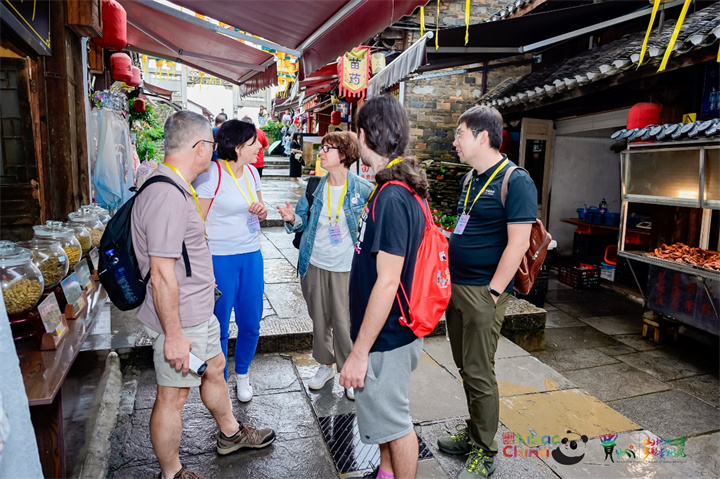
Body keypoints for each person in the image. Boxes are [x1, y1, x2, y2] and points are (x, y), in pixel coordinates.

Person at [131, 111, 275, 479]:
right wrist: (175, 335)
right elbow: (162, 274)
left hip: (197, 309)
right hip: (179, 317)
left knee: (213, 369)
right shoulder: (167, 194)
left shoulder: (176, 186)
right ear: (198, 147)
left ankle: (230, 433)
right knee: (172, 396)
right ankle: (172, 472)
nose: (215, 153)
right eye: (211, 146)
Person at [437, 106, 536, 479]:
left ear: (482, 136)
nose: (455, 141)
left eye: (459, 134)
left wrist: (493, 294)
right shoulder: (470, 180)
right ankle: (475, 429)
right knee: (466, 368)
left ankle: (484, 450)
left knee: (479, 371)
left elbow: (518, 244)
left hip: (483, 292)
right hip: (457, 287)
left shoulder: (516, 179)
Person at [339, 95, 428, 479]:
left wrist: (359, 352)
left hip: (387, 335)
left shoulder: (392, 196)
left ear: (364, 134)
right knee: (386, 421)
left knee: (396, 424)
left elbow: (388, 280)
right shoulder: (393, 185)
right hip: (389, 331)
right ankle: (386, 472)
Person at [277, 131, 373, 401]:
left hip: (346, 267)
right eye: (322, 148)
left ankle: (349, 371)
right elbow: (301, 221)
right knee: (320, 318)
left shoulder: (363, 190)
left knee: (345, 322)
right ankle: (325, 365)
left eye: (327, 148)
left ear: (344, 155)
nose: (321, 152)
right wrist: (291, 218)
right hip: (314, 262)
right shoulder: (314, 185)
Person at [193, 119, 268, 403]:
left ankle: (243, 374)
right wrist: (203, 269)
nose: (260, 146)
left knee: (251, 322)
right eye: (254, 142)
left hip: (251, 255)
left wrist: (261, 211)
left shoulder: (252, 172)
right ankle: (220, 380)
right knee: (220, 326)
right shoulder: (212, 174)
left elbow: (259, 210)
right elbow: (197, 223)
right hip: (219, 259)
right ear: (237, 146)